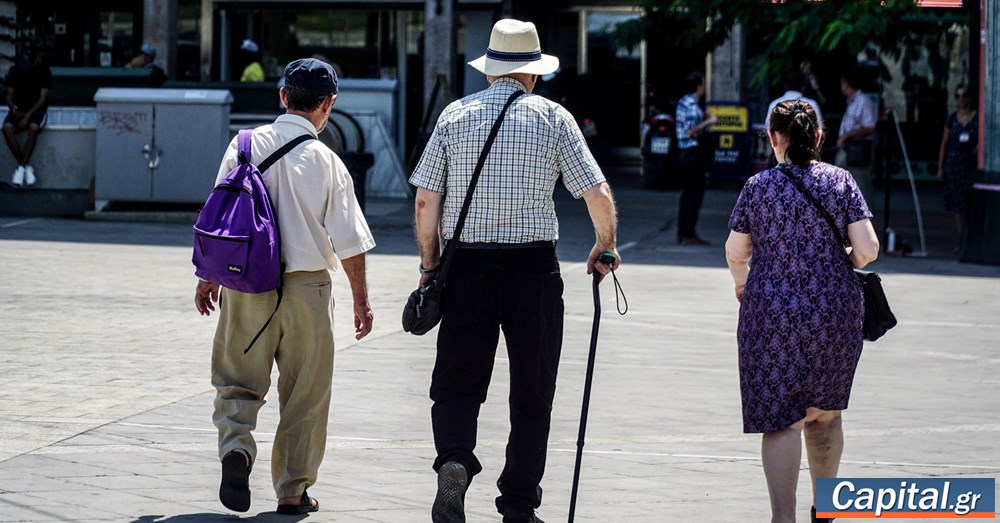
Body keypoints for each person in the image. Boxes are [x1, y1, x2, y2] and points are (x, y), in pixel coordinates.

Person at [410, 18, 619, 523]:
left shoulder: (454, 116)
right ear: (533, 73)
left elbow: (424, 202)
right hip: (533, 271)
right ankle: (519, 503)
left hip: (466, 268)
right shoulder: (554, 118)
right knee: (533, 389)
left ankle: (455, 459)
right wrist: (604, 246)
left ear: (490, 71)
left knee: (457, 382)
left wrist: (430, 263)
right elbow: (597, 193)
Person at [194, 58, 375, 516]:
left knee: (236, 378)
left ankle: (237, 450)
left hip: (246, 283)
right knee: (305, 391)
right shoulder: (328, 161)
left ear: (282, 96)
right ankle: (292, 491)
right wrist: (361, 301)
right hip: (308, 289)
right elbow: (350, 242)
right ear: (328, 105)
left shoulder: (243, 144)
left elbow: (220, 217)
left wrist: (207, 277)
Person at [725, 100, 880, 523]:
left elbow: (736, 252)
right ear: (818, 138)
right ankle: (826, 510)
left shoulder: (757, 188)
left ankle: (783, 518)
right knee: (825, 415)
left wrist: (742, 281)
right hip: (835, 312)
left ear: (774, 138)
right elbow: (867, 250)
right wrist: (839, 259)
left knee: (782, 420)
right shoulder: (841, 181)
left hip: (771, 315)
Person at [674, 71, 717, 245]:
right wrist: (709, 121)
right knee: (694, 195)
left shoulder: (683, 102)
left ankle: (683, 231)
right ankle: (688, 232)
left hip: (685, 153)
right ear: (699, 87)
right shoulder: (692, 105)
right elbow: (691, 131)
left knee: (687, 195)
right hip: (692, 153)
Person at [936, 85, 978, 252]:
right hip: (954, 164)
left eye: (965, 95)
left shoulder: (977, 119)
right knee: (957, 205)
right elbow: (944, 144)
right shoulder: (952, 119)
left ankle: (972, 238)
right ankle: (962, 240)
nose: (962, 99)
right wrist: (941, 167)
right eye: (958, 96)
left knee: (971, 203)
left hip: (971, 165)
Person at [3, 46, 51, 187]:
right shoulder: (15, 71)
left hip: (36, 109)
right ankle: (24, 167)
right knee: (6, 128)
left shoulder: (43, 71)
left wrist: (27, 116)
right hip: (20, 108)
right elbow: (9, 96)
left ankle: (20, 169)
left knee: (33, 128)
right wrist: (13, 107)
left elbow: (42, 99)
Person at [834, 72, 878, 208]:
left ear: (846, 85)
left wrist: (848, 135)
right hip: (847, 147)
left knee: (862, 186)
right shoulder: (851, 102)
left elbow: (870, 127)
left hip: (858, 148)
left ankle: (866, 223)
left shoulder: (863, 101)